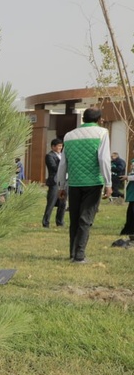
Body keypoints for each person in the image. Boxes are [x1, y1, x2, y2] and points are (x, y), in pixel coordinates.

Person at [56, 107, 112, 264]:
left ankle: (72, 252)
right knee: (85, 219)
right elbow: (104, 160)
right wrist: (108, 183)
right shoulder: (102, 133)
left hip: (74, 183)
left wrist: (61, 185)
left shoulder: (69, 136)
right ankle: (79, 255)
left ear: (83, 119)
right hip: (93, 182)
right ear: (99, 119)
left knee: (74, 218)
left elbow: (63, 164)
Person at [42, 138, 66, 228]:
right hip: (55, 182)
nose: (60, 147)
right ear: (53, 147)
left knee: (63, 203)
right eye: (59, 146)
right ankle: (46, 222)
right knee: (51, 203)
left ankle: (60, 222)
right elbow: (54, 167)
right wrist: (64, 165)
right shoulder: (49, 156)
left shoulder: (62, 155)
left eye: (61, 146)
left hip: (63, 182)